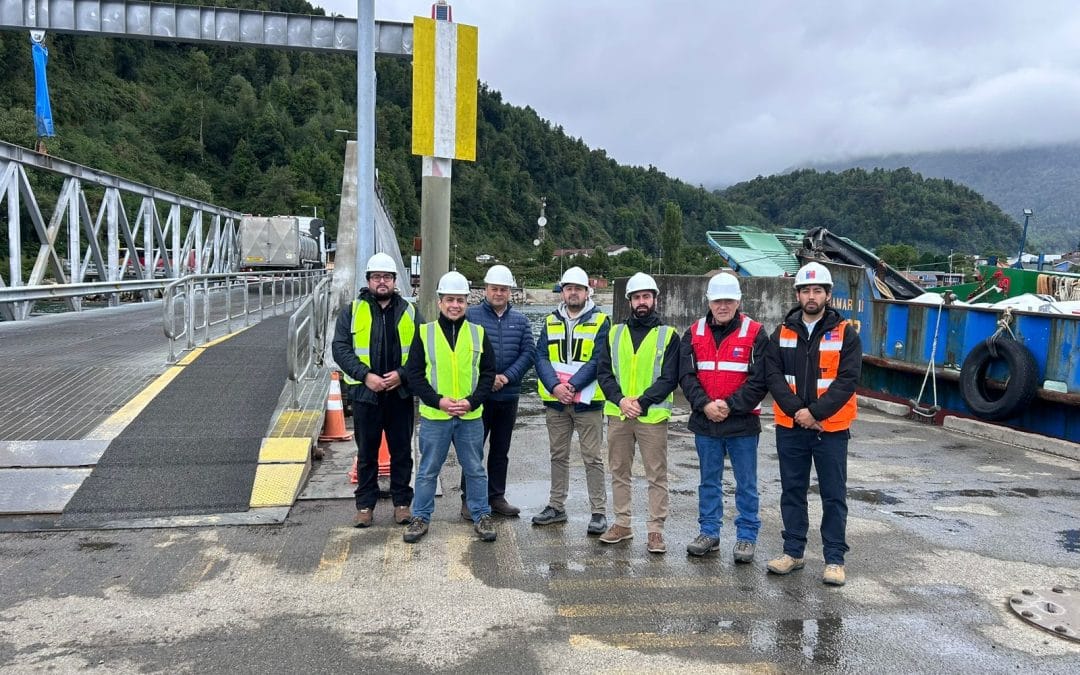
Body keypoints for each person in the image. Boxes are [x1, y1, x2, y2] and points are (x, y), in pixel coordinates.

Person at [764, 261, 861, 586]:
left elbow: (847, 380)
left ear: (828, 295)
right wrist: (798, 412)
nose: (811, 295)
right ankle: (793, 552)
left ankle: (835, 559)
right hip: (791, 427)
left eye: (817, 290)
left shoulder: (846, 334)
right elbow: (773, 376)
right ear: (797, 294)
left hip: (830, 430)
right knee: (793, 491)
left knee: (833, 495)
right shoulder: (783, 331)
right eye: (805, 290)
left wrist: (815, 413)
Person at [679, 273, 769, 560]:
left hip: (741, 423)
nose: (723, 306)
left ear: (738, 301)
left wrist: (730, 405)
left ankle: (746, 537)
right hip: (706, 421)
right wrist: (705, 404)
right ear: (709, 301)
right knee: (709, 481)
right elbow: (687, 376)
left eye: (728, 301)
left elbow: (759, 380)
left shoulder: (755, 333)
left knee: (746, 483)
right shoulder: (694, 333)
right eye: (718, 301)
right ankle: (709, 532)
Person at [403, 271, 498, 544]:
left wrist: (471, 402)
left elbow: (488, 374)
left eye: (460, 300)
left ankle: (481, 514)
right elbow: (415, 375)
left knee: (475, 470)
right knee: (428, 471)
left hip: (470, 416)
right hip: (435, 416)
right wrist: (439, 401)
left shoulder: (478, 334)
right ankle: (419, 516)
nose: (455, 305)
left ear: (467, 302)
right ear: (440, 302)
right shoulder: (425, 333)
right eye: (450, 300)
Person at [332, 252, 421, 529]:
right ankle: (365, 506)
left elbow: (422, 350)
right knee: (367, 453)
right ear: (369, 280)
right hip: (365, 395)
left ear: (395, 281)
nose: (382, 282)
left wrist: (402, 375)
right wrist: (365, 375)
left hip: (400, 395)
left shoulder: (410, 311)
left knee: (402, 452)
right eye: (376, 277)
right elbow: (341, 348)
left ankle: (402, 503)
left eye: (387, 277)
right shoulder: (353, 311)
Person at [595, 272, 680, 554]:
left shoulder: (668, 336)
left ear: (655, 299)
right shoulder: (613, 333)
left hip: (651, 416)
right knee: (619, 470)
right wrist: (620, 400)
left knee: (657, 474)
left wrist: (640, 403)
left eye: (646, 296)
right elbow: (604, 373)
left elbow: (669, 378)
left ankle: (655, 530)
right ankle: (622, 523)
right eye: (636, 297)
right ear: (629, 301)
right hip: (619, 413)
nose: (641, 302)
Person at [532, 266, 611, 535]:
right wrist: (555, 387)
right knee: (558, 455)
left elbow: (599, 359)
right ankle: (556, 506)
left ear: (587, 291)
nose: (573, 293)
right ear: (563, 291)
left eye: (578, 288)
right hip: (557, 402)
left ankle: (598, 512)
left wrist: (573, 386)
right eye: (569, 288)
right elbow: (540, 356)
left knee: (592, 457)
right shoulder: (550, 321)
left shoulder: (601, 321)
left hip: (588, 402)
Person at [460, 265, 535, 519]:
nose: (499, 293)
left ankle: (496, 497)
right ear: (486, 289)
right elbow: (463, 352)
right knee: (473, 450)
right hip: (480, 397)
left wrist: (508, 377)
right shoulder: (470, 317)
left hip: (508, 396)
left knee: (500, 450)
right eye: (494, 288)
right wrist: (487, 378)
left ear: (510, 291)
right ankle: (469, 499)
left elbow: (528, 354)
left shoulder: (522, 321)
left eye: (503, 289)